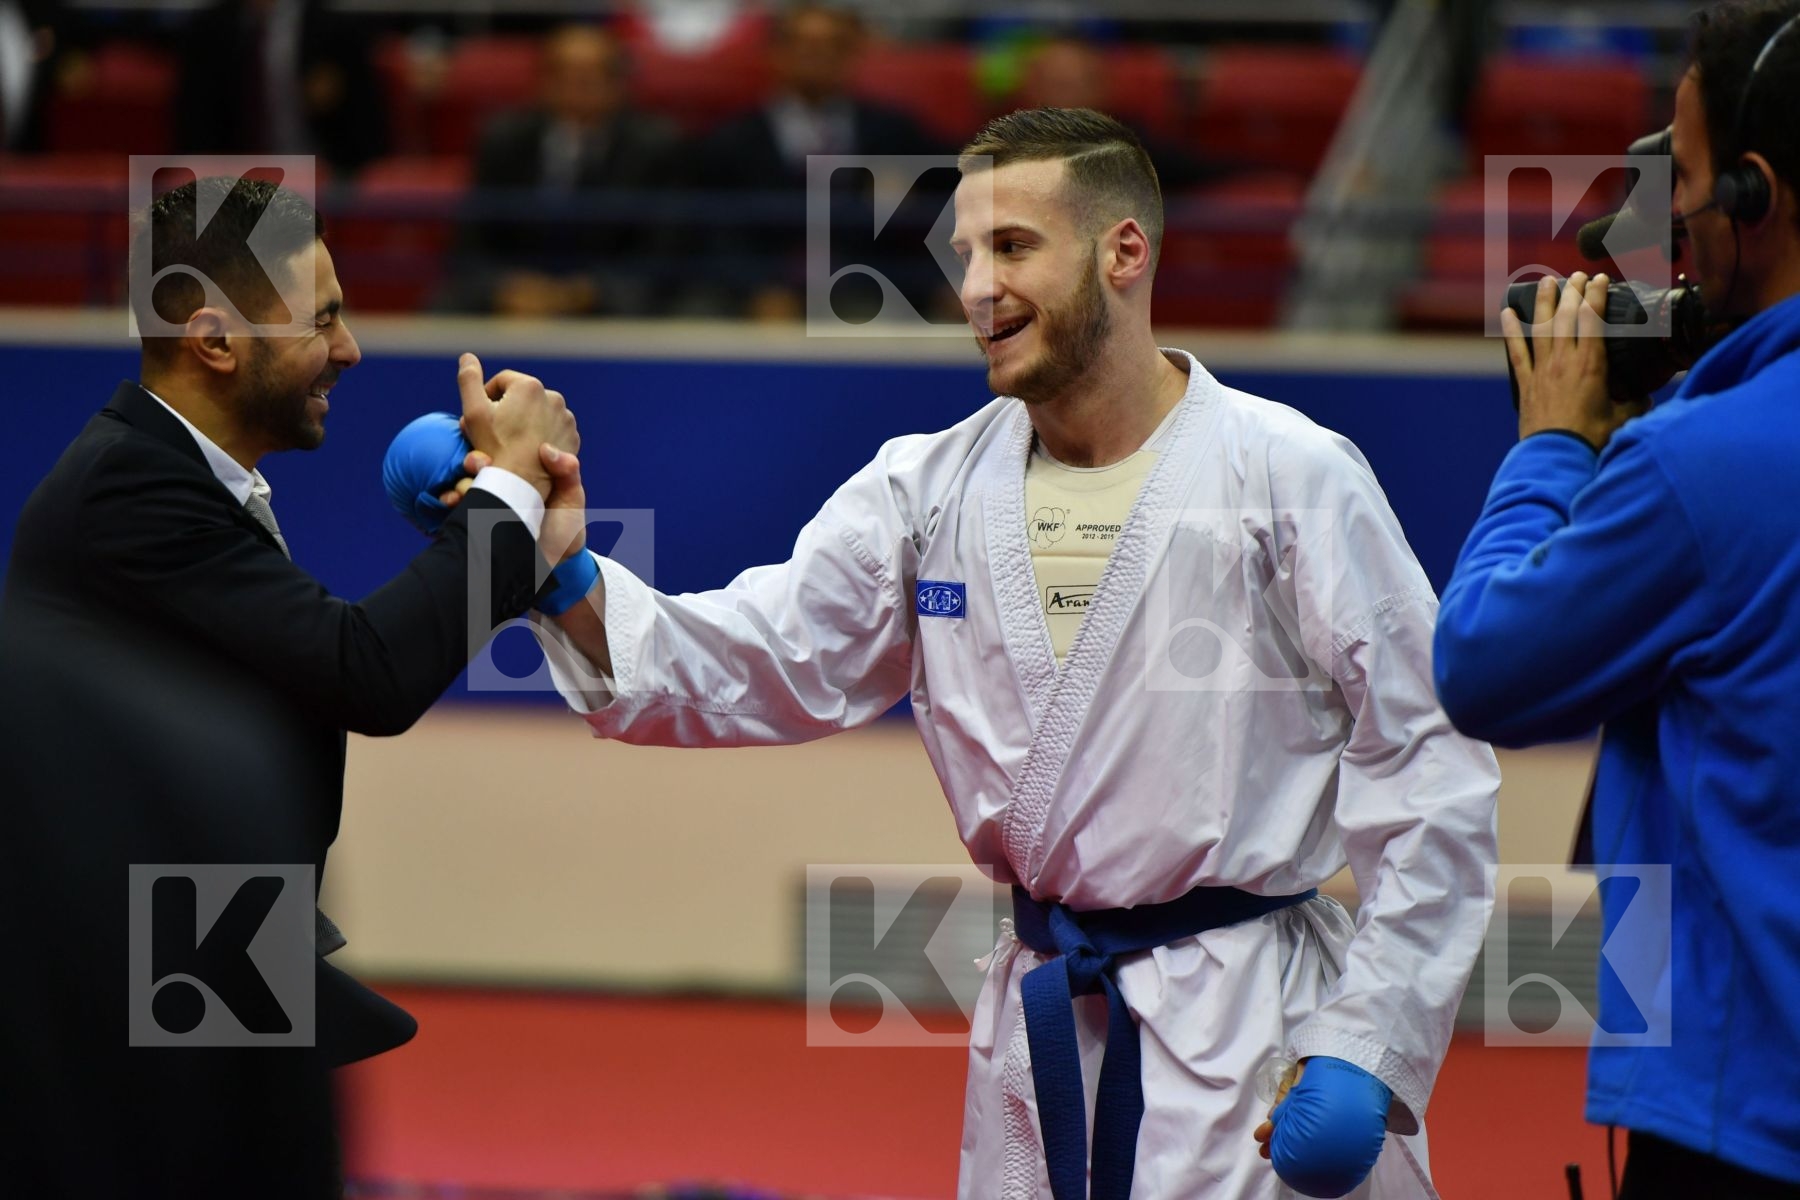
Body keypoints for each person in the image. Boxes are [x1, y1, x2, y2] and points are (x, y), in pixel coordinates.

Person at [457, 107, 1500, 1198]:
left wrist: (1367, 1042)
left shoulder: (1289, 474)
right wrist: (561, 569)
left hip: (1252, 1037)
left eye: (1011, 248)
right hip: (1043, 1031)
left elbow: (1428, 760)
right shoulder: (927, 489)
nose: (974, 290)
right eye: (964, 254)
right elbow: (757, 656)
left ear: (1124, 254)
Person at [0, 176, 584, 1199]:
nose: (351, 349)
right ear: (216, 342)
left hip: (197, 961)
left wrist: (509, 529)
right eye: (325, 320)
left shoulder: (173, 478)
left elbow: (323, 669)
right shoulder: (130, 493)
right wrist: (505, 494)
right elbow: (366, 672)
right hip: (135, 995)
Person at [1434, 2, 1800, 1195]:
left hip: (1738, 1107)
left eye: (1684, 179)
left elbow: (1487, 666)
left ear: (1756, 194)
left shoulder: (1705, 463)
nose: (1665, 221)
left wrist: (1552, 447)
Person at [689, 2, 945, 320]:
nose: (818, 56)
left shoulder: (893, 131)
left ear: (852, 54)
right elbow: (713, 230)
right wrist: (757, 288)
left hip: (870, 293)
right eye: (805, 45)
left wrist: (911, 201)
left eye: (833, 45)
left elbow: (955, 189)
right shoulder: (731, 140)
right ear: (776, 52)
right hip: (757, 293)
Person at [438, 23, 681, 319]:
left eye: (589, 78)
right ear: (542, 81)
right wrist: (506, 287)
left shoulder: (656, 146)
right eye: (562, 75)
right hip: (519, 292)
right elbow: (472, 243)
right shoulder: (504, 139)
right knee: (449, 304)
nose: (575, 88)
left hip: (608, 295)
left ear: (619, 83)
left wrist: (588, 291)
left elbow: (663, 250)